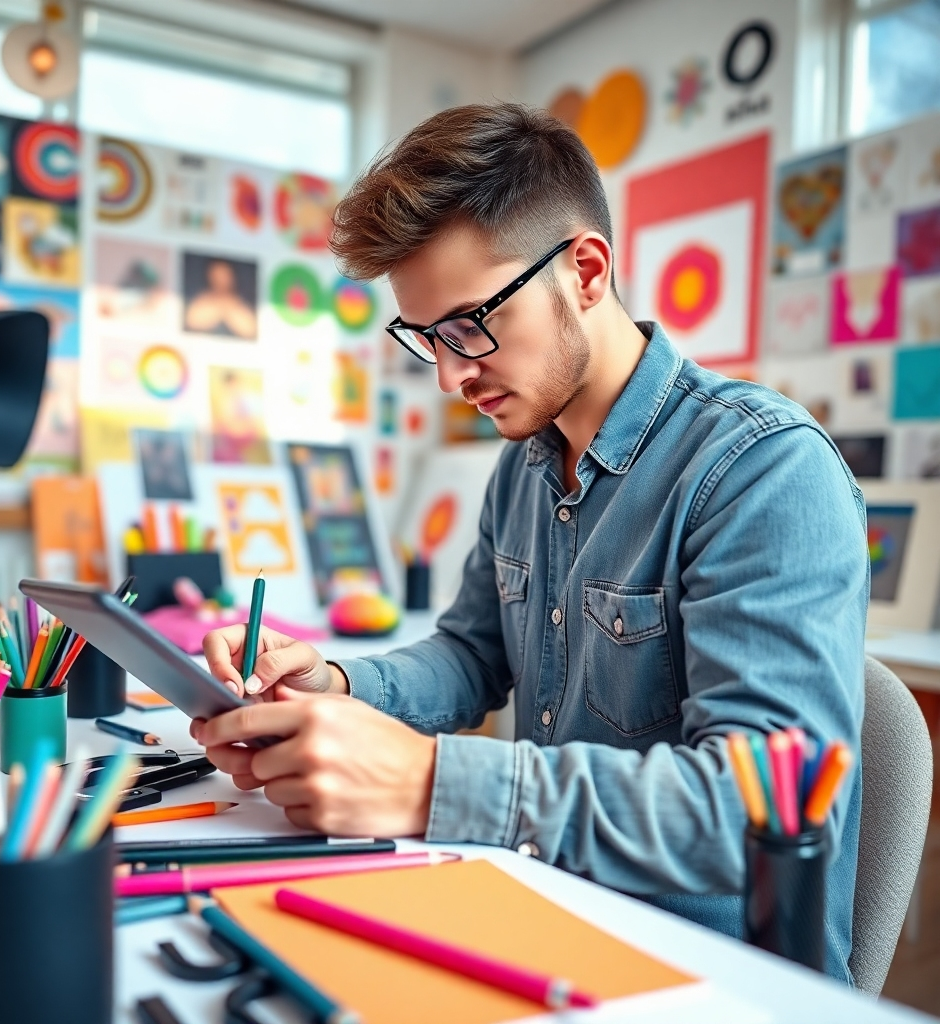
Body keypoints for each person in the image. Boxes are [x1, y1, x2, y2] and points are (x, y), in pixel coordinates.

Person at [192, 104, 867, 983]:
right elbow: (474, 656)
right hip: (538, 913)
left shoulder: (763, 471)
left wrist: (437, 784)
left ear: (585, 271)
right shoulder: (522, 466)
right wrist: (336, 683)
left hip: (708, 977)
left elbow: (758, 818)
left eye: (470, 325)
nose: (449, 376)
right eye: (425, 338)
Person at [184, 258, 257, 339]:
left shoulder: (239, 302)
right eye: (217, 275)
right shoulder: (202, 298)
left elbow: (250, 331)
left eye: (224, 275)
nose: (220, 280)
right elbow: (192, 323)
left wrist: (229, 308)